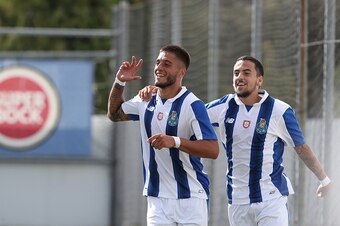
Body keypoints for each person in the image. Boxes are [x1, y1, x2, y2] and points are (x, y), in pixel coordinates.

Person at [139, 55, 331, 226]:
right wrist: (159, 92)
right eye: (236, 73)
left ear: (259, 80)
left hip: (271, 198)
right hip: (237, 201)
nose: (240, 77)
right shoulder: (224, 106)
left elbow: (301, 147)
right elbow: (188, 112)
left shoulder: (279, 111)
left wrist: (324, 179)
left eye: (246, 73)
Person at [107, 44, 219, 226]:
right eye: (158, 62)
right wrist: (120, 82)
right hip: (157, 199)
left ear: (181, 72)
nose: (159, 68)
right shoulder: (145, 99)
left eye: (167, 64)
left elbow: (213, 149)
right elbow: (114, 114)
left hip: (190, 198)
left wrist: (173, 141)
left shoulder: (192, 105)